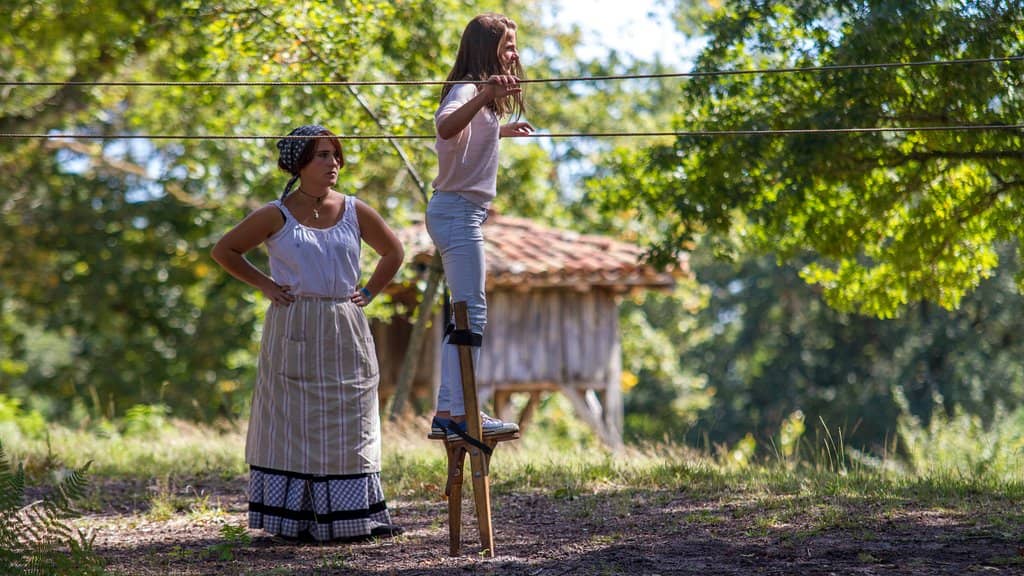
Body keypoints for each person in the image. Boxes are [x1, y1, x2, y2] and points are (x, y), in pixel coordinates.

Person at [211, 125, 405, 542]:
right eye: (322, 155)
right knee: (291, 421)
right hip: (293, 322)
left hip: (342, 323)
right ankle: (294, 519)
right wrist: (265, 284)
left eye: (336, 155)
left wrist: (369, 291)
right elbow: (225, 250)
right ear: (300, 162)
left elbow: (393, 252)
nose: (333, 163)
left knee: (350, 418)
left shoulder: (355, 210)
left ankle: (355, 516)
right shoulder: (275, 213)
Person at [427, 13, 535, 440]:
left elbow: (469, 135)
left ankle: (450, 409)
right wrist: (484, 94)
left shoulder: (479, 95)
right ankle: (463, 412)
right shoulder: (468, 88)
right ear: (486, 48)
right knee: (471, 312)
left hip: (461, 211)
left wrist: (500, 130)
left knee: (465, 313)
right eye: (508, 45)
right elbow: (446, 125)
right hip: (456, 211)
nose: (515, 54)